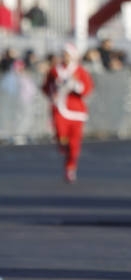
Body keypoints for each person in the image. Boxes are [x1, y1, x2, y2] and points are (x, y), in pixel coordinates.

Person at [42, 43, 94, 182]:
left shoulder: (80, 71)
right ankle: (62, 144)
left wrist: (75, 85)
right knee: (61, 135)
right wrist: (52, 94)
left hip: (77, 111)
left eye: (68, 54)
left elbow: (87, 89)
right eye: (64, 54)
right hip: (59, 108)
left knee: (75, 143)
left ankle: (70, 167)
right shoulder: (55, 70)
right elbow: (46, 87)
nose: (66, 57)